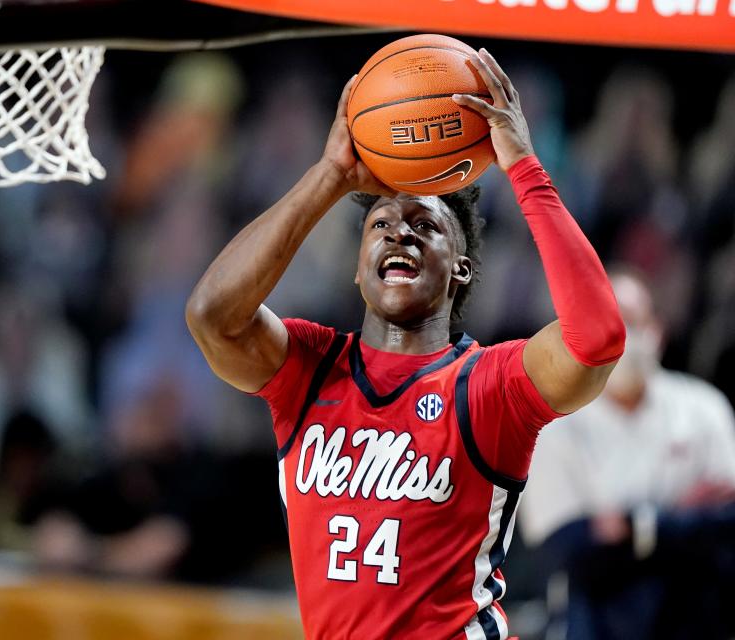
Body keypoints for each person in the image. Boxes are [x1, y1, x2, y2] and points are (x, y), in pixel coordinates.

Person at [186, 47, 625, 640]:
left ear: (461, 269)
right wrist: (330, 176)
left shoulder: (488, 386)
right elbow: (213, 315)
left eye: (426, 226)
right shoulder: (309, 368)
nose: (400, 234)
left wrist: (521, 165)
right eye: (382, 225)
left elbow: (596, 340)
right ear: (359, 267)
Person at [519, 268, 735, 640]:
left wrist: (631, 527)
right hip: (597, 625)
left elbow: (726, 523)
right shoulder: (554, 427)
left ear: (658, 330)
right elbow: (572, 552)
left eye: (634, 323)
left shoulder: (704, 408)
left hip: (699, 620)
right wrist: (680, 521)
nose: (623, 338)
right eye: (610, 324)